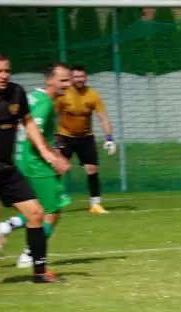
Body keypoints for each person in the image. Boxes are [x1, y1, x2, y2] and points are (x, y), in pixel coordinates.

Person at [0, 54, 69, 283]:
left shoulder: (16, 92)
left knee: (36, 213)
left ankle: (39, 272)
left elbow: (27, 122)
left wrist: (47, 152)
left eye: (7, 70)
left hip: (5, 167)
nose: (4, 75)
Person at [55, 64, 116, 214]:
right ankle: (50, 201)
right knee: (58, 169)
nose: (79, 79)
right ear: (71, 78)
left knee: (92, 169)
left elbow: (103, 118)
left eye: (82, 76)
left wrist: (109, 138)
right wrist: (51, 138)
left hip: (86, 137)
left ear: (86, 77)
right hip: (64, 136)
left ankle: (95, 204)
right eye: (76, 77)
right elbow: (52, 115)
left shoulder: (93, 94)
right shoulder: (63, 94)